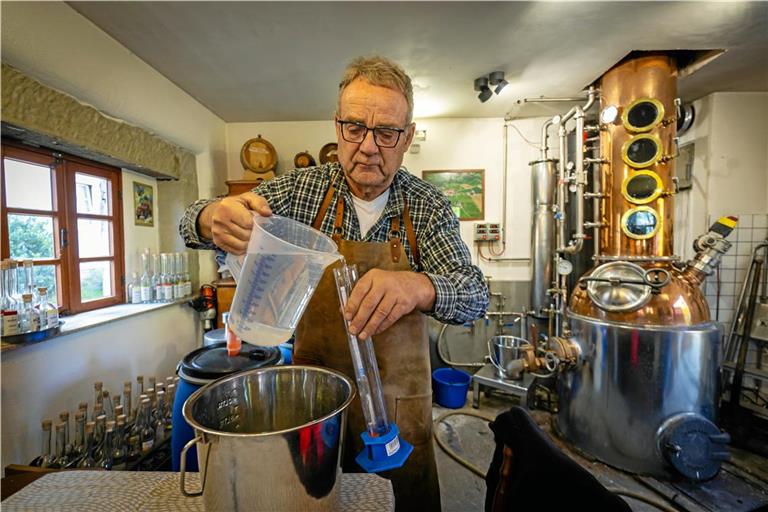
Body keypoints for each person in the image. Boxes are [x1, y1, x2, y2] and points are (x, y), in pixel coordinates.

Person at [180, 55, 488, 511]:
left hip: (399, 410)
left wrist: (419, 287)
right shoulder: (301, 191)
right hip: (313, 406)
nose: (368, 146)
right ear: (337, 125)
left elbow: (475, 295)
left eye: (386, 133)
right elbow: (192, 223)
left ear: (406, 139)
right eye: (355, 127)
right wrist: (211, 218)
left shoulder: (427, 207)